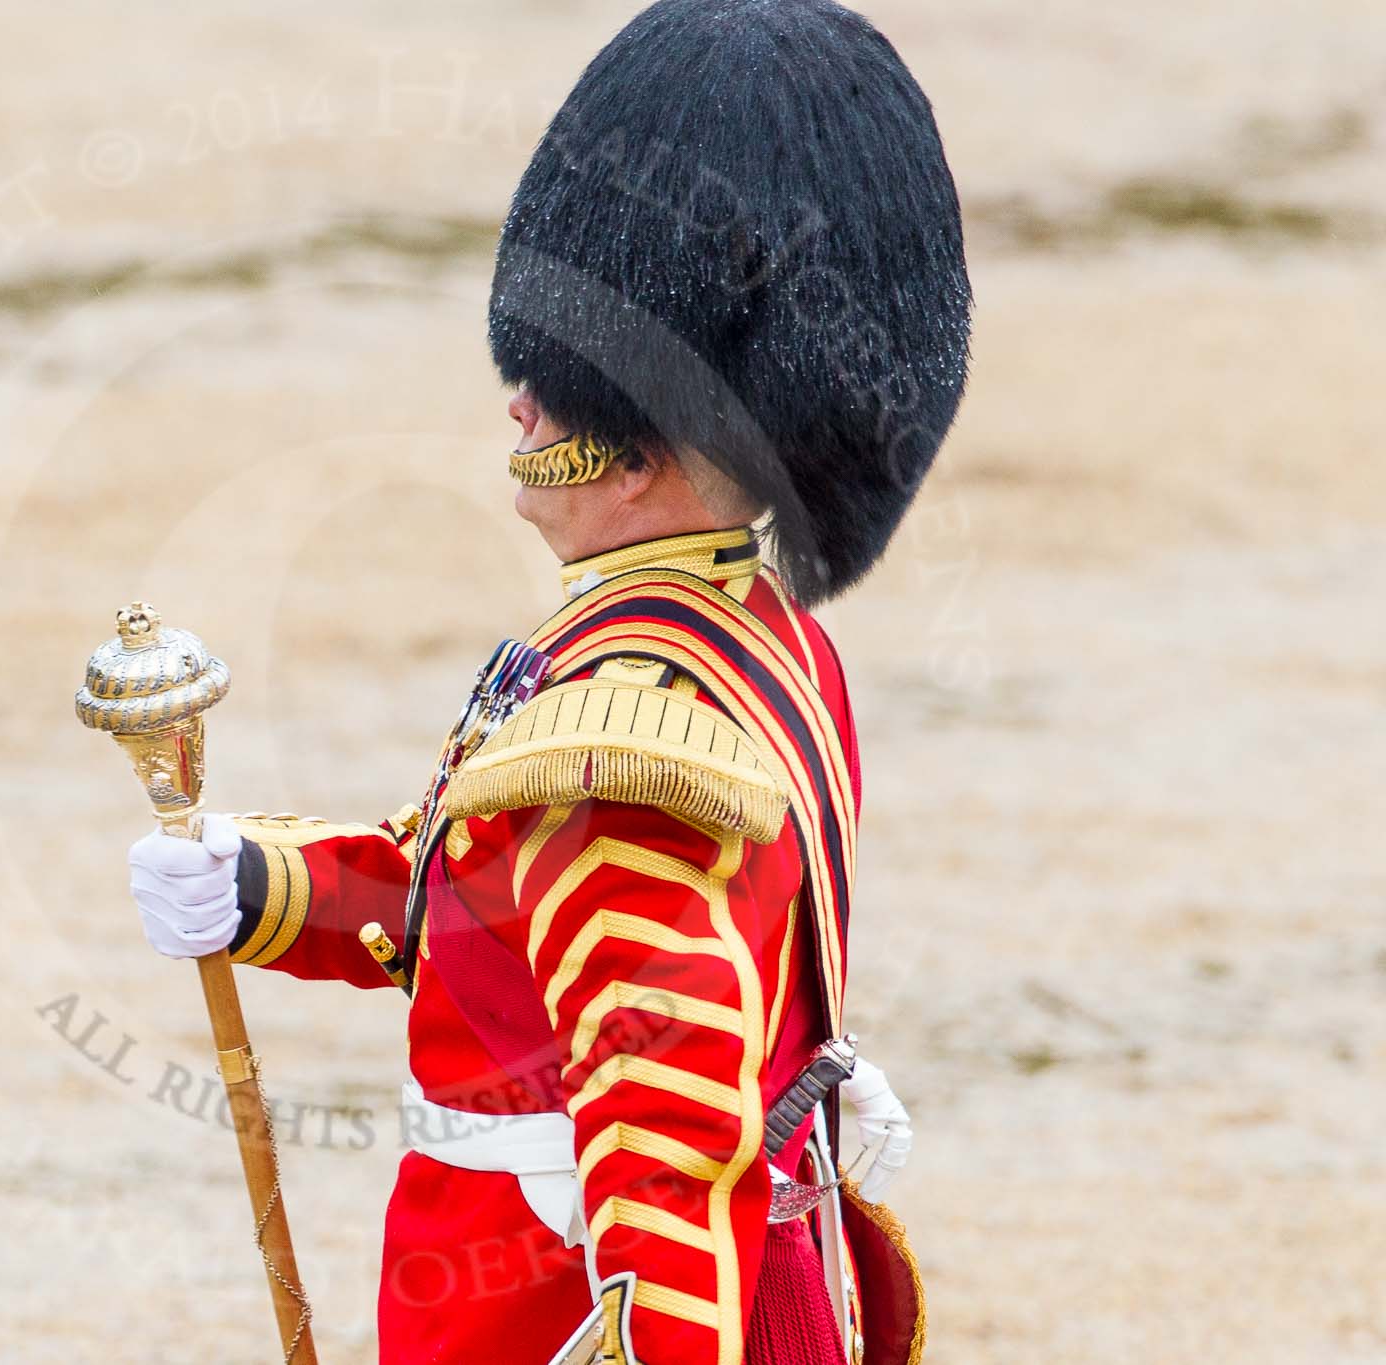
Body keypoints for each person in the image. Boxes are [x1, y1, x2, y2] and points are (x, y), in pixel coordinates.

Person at [126, 1, 970, 1360]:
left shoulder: (626, 750)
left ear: (649, 436)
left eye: (558, 383)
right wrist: (257, 885)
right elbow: (477, 908)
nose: (520, 402)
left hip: (547, 1305)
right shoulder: (751, 635)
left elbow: (662, 1157)